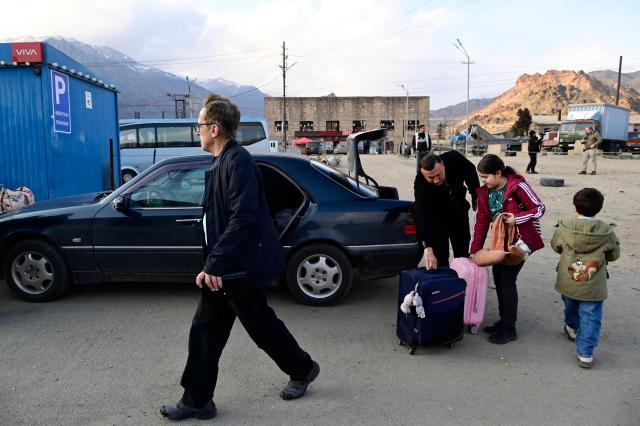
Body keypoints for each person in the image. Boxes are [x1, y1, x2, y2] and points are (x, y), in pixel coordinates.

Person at [161, 94, 319, 422]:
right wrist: (215, 262)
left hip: (238, 269)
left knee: (261, 328)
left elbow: (243, 218)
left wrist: (215, 263)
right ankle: (198, 401)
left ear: (214, 128)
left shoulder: (238, 162)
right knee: (205, 332)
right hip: (225, 269)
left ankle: (303, 369)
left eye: (200, 125)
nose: (198, 130)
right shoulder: (220, 162)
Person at [469, 154, 545, 344]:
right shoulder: (486, 192)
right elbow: (481, 222)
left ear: (498, 173)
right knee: (500, 277)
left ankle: (509, 327)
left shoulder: (518, 186)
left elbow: (539, 208)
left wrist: (516, 218)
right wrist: (475, 249)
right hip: (500, 240)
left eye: (486, 177)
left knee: (507, 280)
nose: (484, 181)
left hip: (521, 241)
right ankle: (504, 321)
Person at [550, 188, 620, 369]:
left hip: (568, 278)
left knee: (571, 303)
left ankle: (572, 327)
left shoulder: (565, 226)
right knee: (591, 316)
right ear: (600, 208)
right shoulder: (606, 232)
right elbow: (613, 255)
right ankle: (586, 353)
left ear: (575, 206)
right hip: (593, 283)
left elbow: (556, 246)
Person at [414, 151, 480, 269]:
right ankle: (445, 282)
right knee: (439, 258)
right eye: (430, 177)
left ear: (443, 165)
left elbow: (470, 170)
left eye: (438, 175)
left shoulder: (454, 158)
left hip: (459, 212)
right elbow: (422, 215)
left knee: (462, 255)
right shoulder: (420, 183)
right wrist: (427, 247)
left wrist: (475, 195)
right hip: (437, 218)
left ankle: (463, 283)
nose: (436, 180)